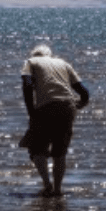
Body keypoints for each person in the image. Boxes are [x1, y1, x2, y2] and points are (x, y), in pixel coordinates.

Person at [20, 44, 89, 197]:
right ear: (49, 55)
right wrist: (78, 105)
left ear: (34, 55)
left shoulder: (31, 62)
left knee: (37, 148)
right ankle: (58, 190)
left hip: (45, 107)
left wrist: (31, 112)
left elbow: (27, 84)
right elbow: (83, 92)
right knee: (60, 151)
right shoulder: (63, 64)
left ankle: (47, 185)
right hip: (67, 107)